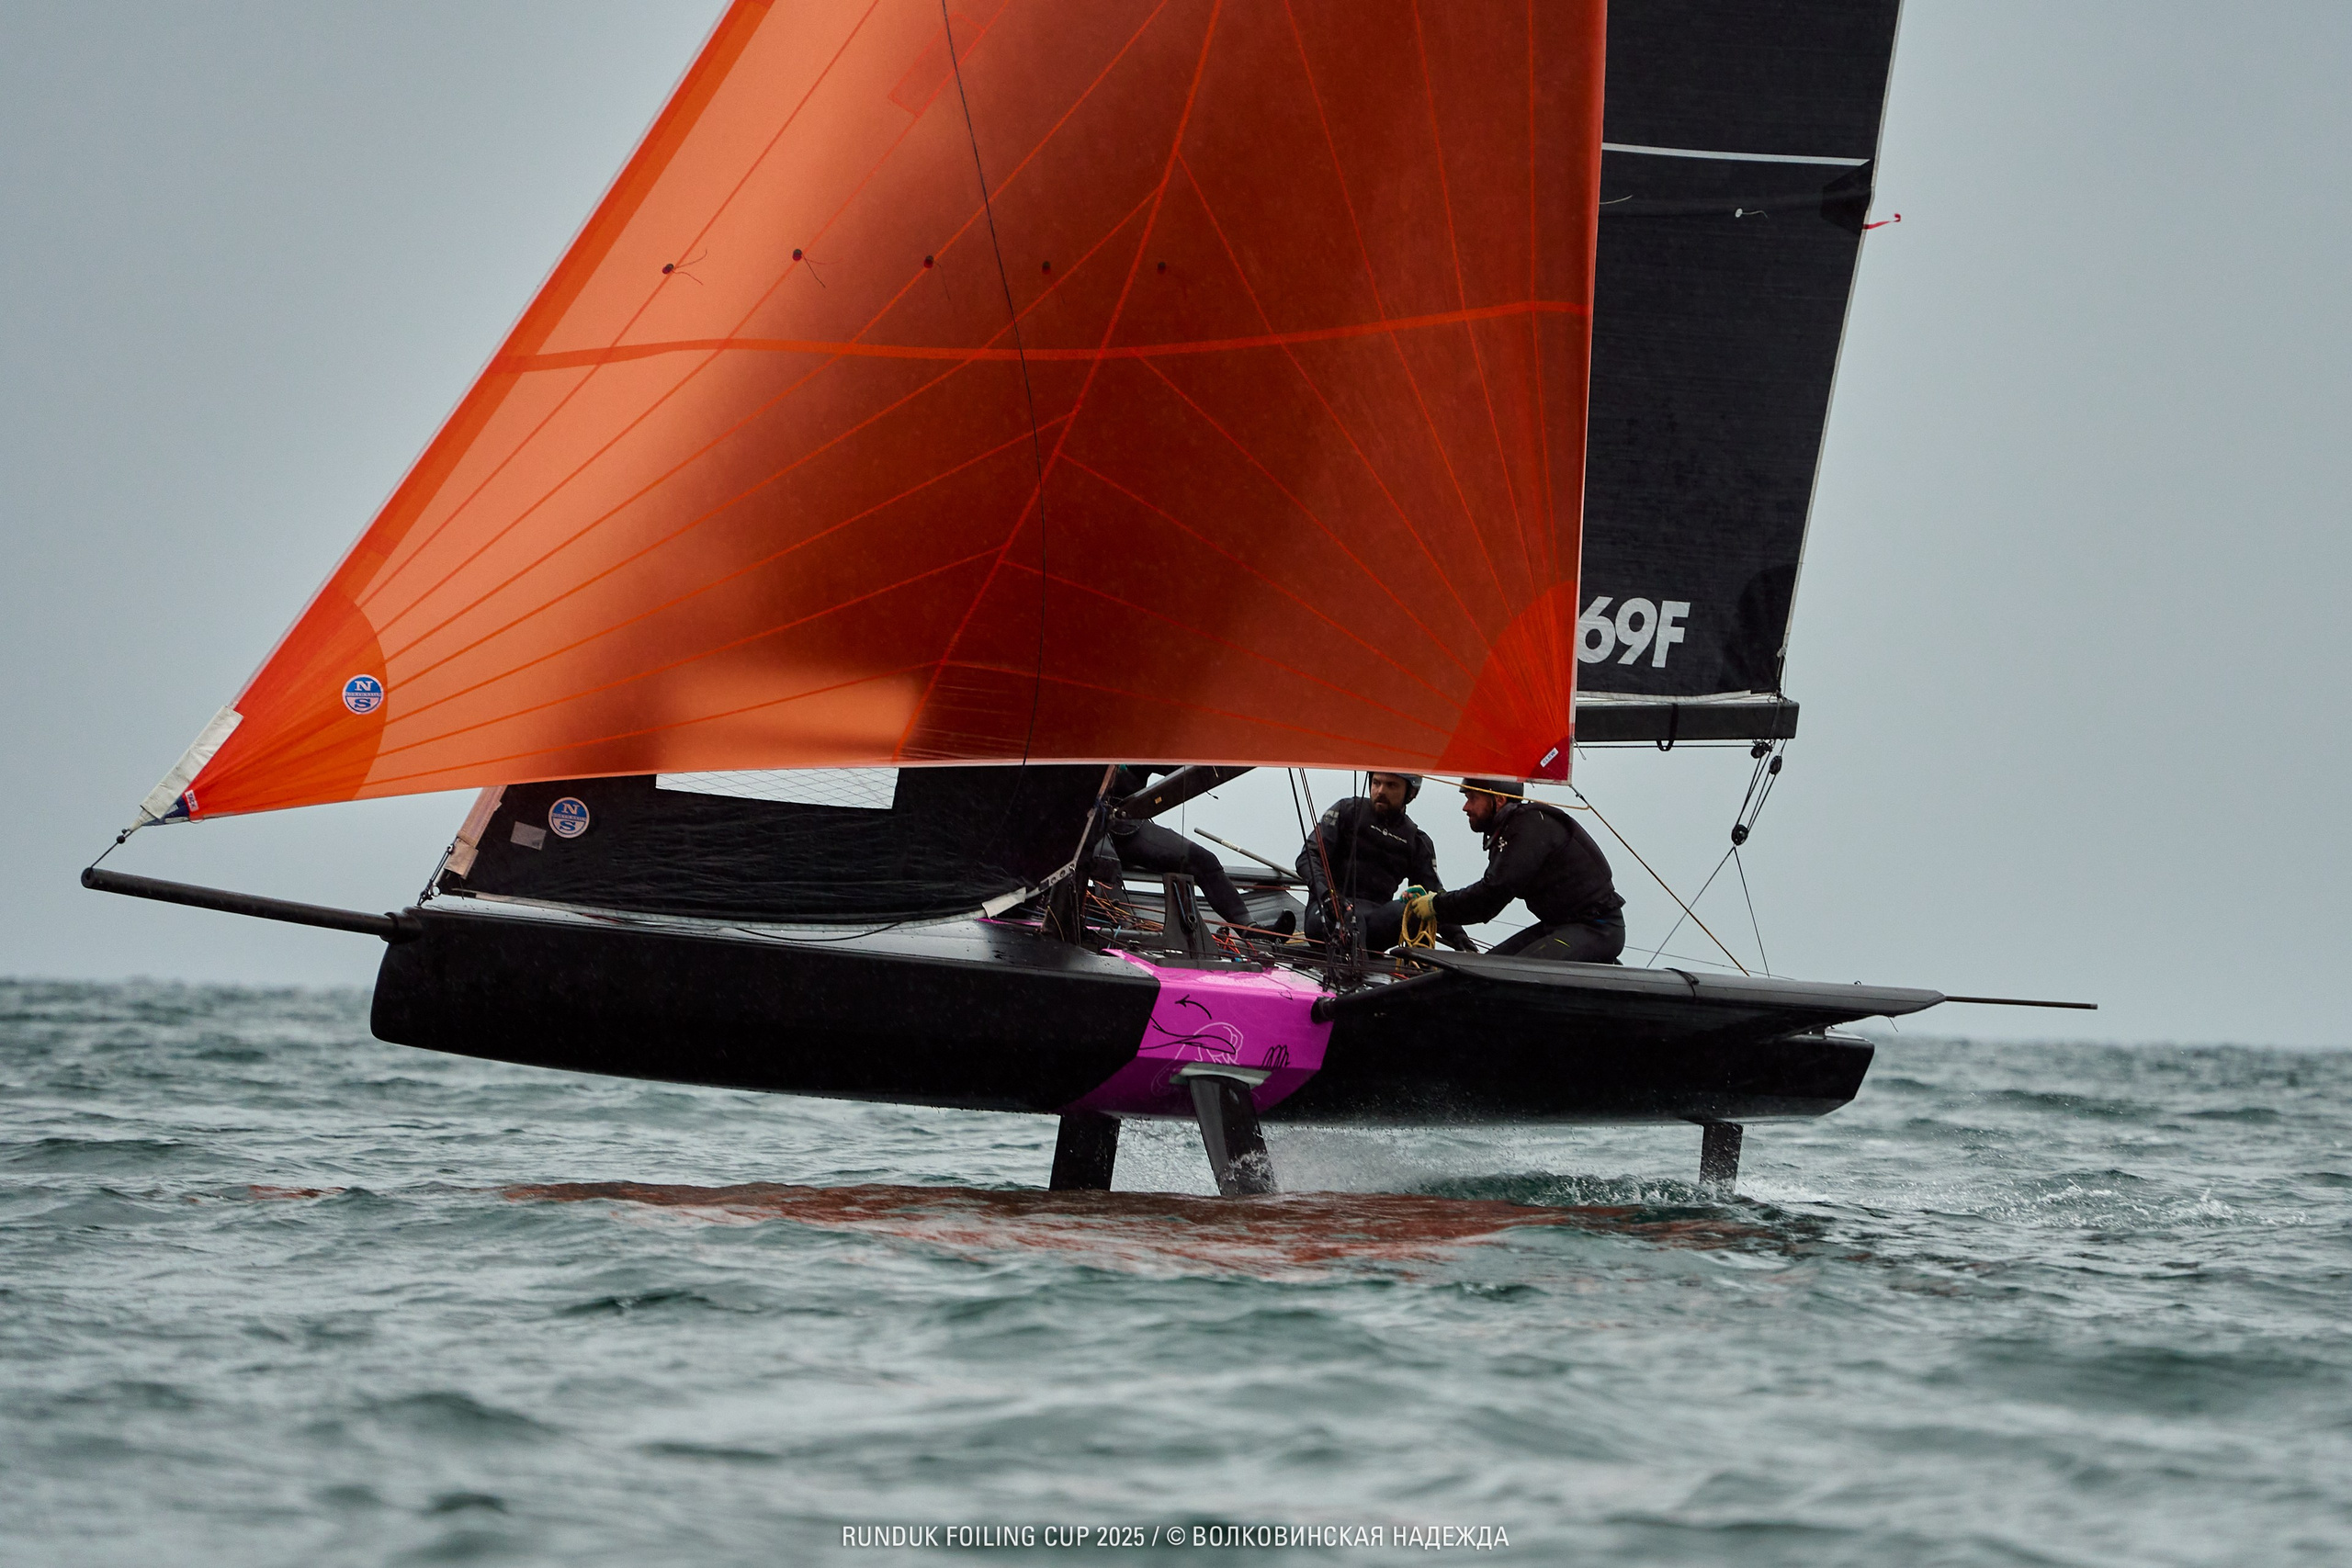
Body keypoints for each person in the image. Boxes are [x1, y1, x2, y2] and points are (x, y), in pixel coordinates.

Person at [1406, 778, 1625, 962]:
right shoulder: (1512, 828)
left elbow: (1491, 895)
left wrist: (1436, 905)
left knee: (1495, 978)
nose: (1466, 807)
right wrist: (1439, 906)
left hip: (1598, 929)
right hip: (1560, 926)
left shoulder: (1528, 826)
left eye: (1472, 798)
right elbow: (1488, 895)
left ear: (1499, 800)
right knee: (1485, 969)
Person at [1296, 772, 1474, 953]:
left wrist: (1458, 935)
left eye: (1391, 785)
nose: (1380, 791)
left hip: (1376, 920)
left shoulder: (1416, 841)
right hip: (1327, 912)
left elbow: (1432, 895)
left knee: (1414, 909)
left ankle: (1410, 963)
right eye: (1376, 783)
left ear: (1411, 793)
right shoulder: (1346, 812)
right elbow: (1308, 857)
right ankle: (1355, 958)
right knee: (1353, 918)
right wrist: (1328, 895)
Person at [1097, 765, 1256, 928]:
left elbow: (1180, 766)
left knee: (1203, 860)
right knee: (1104, 863)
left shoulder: (1139, 750)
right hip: (1087, 826)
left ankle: (1249, 928)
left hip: (1125, 825)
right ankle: (1123, 928)